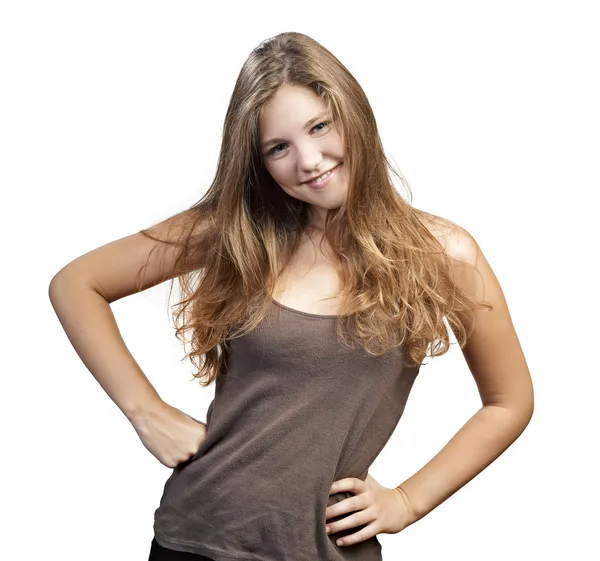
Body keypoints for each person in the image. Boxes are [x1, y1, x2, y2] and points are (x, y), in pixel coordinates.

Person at [48, 32, 534, 561]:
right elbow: (77, 283)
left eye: (319, 127)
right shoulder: (235, 231)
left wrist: (408, 501)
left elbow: (509, 402)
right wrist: (145, 411)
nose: (308, 160)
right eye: (278, 148)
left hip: (325, 549)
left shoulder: (443, 254)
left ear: (353, 113)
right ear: (259, 162)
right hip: (194, 538)